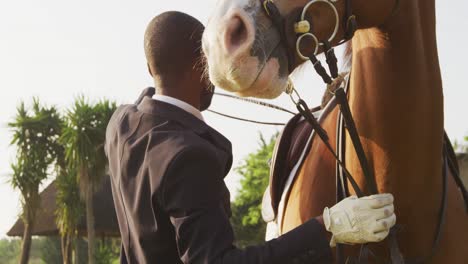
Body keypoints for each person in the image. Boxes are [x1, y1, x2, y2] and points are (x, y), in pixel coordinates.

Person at [105, 11, 397, 264]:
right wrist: (328, 227)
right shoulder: (189, 157)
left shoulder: (121, 125)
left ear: (149, 68)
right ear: (203, 64)